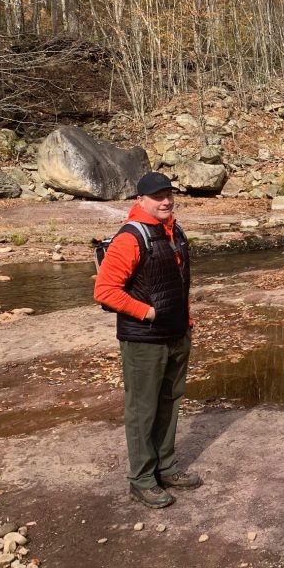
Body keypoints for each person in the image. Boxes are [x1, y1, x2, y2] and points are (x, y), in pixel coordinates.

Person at [94, 171, 202, 508]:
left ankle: (166, 466)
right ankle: (141, 480)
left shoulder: (174, 231)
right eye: (157, 196)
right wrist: (147, 313)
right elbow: (104, 291)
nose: (165, 200)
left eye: (168, 194)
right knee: (142, 411)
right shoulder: (131, 237)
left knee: (169, 401)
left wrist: (185, 319)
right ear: (140, 200)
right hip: (144, 340)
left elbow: (177, 284)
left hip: (176, 334)